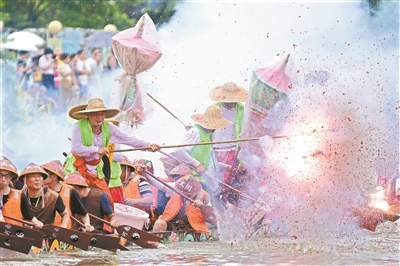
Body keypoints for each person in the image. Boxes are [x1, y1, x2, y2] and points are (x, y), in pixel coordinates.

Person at [64, 98, 160, 207]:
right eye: (96, 114)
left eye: (102, 114)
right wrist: (96, 149)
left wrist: (147, 145)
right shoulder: (79, 126)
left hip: (96, 170)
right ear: (89, 115)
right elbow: (76, 148)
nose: (100, 118)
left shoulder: (108, 128)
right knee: (72, 199)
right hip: (77, 169)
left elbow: (128, 139)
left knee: (107, 201)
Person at [173, 105, 232, 197]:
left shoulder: (207, 136)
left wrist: (227, 167)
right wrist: (197, 164)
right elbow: (179, 151)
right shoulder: (195, 132)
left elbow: (210, 162)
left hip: (207, 182)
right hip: (195, 180)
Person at [42, 160, 93, 231]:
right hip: (45, 232)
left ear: (54, 177)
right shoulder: (42, 190)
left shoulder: (70, 191)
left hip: (64, 234)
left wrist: (87, 224)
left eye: (44, 175)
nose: (41, 177)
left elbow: (83, 213)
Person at [18, 163, 70, 228]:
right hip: (22, 234)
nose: (37, 179)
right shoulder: (18, 196)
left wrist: (63, 226)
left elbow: (65, 214)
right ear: (24, 179)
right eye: (33, 176)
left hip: (46, 236)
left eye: (40, 176)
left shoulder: (54, 196)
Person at [209, 82, 247, 166]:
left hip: (233, 148)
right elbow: (206, 123)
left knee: (231, 174)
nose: (229, 104)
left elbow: (247, 127)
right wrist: (195, 129)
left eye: (232, 102)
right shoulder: (214, 108)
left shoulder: (242, 109)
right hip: (216, 147)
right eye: (226, 102)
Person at [0, 156, 43, 229]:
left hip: (13, 236)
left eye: (7, 176)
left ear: (11, 178)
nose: (3, 179)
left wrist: (38, 224)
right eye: (0, 175)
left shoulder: (20, 196)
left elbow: (30, 217)